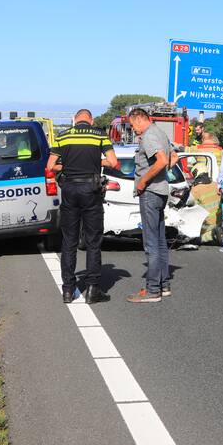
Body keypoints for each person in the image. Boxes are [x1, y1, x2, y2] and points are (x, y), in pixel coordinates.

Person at [46, 109, 119, 304]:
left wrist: (67, 165)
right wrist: (96, 161)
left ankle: (68, 290)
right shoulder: (99, 135)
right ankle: (93, 290)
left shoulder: (63, 136)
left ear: (74, 120)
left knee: (69, 240)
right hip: (91, 190)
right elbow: (113, 162)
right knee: (93, 240)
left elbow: (51, 165)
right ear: (91, 120)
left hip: (70, 189)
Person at [126, 108, 173, 303]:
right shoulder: (161, 133)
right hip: (161, 192)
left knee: (151, 243)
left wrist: (143, 181)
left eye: (132, 125)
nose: (132, 129)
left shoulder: (149, 136)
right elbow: (173, 158)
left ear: (139, 120)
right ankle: (163, 284)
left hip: (151, 193)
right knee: (160, 241)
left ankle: (152, 289)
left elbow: (162, 161)